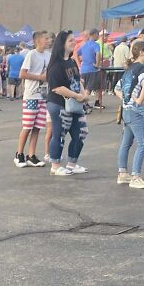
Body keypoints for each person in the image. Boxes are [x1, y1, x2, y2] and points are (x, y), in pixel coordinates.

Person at [45, 30, 90, 177]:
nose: (74, 42)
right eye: (70, 40)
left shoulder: (71, 62)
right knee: (59, 134)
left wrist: (83, 94)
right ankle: (55, 165)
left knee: (81, 133)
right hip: (59, 104)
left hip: (76, 104)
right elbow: (57, 88)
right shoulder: (55, 65)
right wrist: (77, 96)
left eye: (74, 40)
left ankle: (72, 163)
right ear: (62, 43)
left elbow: (78, 80)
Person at [115, 40, 144, 189]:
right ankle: (135, 176)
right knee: (143, 144)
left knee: (126, 143)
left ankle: (123, 173)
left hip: (127, 111)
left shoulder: (129, 69)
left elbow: (117, 89)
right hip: (137, 112)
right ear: (142, 52)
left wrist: (127, 99)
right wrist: (138, 100)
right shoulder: (143, 69)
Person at [14, 30, 50, 167]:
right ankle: (19, 153)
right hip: (31, 95)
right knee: (27, 126)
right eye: (46, 38)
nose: (48, 40)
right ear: (38, 41)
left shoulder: (48, 55)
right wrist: (39, 77)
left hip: (43, 95)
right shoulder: (31, 54)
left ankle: (31, 154)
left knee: (37, 127)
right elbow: (22, 74)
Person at [77, 28, 101, 107]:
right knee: (88, 88)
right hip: (92, 69)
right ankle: (83, 104)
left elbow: (77, 54)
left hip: (83, 69)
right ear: (94, 35)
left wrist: (79, 63)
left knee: (83, 88)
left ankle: (84, 103)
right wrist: (97, 64)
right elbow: (98, 54)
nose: (98, 36)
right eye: (98, 35)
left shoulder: (84, 45)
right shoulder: (96, 44)